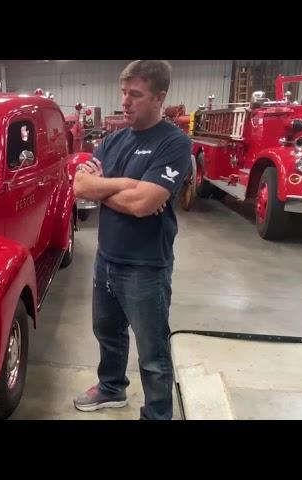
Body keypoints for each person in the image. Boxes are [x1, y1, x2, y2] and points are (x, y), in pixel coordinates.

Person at [72, 60, 191, 420]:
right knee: (107, 332)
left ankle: (157, 414)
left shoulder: (174, 143)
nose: (125, 101)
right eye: (124, 92)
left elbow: (144, 205)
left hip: (146, 266)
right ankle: (111, 388)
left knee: (153, 353)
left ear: (159, 98)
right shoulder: (112, 140)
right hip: (106, 258)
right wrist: (127, 186)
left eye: (135, 94)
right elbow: (80, 187)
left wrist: (105, 188)